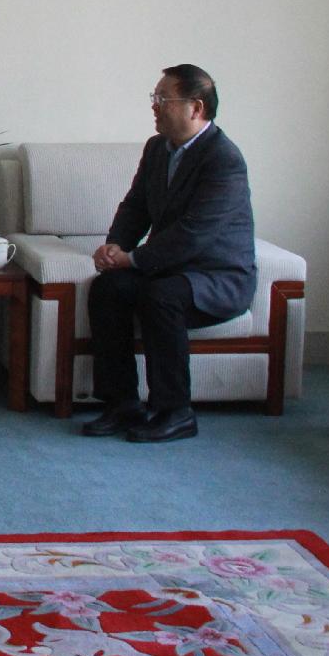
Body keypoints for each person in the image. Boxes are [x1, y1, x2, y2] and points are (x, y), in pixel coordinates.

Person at [81, 63, 257, 444]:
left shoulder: (224, 159)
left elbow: (194, 235)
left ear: (196, 108)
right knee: (108, 288)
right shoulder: (157, 148)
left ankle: (176, 412)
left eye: (163, 98)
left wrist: (135, 260)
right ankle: (122, 403)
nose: (154, 106)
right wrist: (116, 248)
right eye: (155, 97)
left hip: (217, 276)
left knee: (161, 297)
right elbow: (136, 206)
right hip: (168, 269)